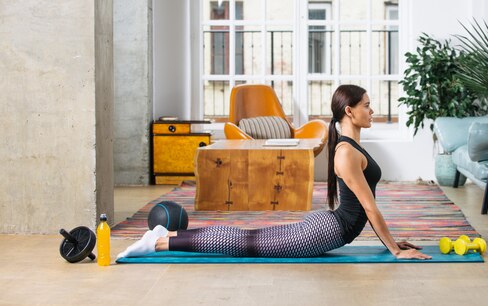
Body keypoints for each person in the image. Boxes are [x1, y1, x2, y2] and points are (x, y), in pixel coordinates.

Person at [117, 85, 431, 260]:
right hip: (322, 233)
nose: (372, 110)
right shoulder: (346, 153)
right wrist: (393, 248)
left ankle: (164, 235)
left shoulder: (350, 147)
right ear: (350, 111)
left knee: (247, 239)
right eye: (366, 105)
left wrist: (395, 242)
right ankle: (158, 243)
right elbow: (369, 207)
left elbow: (368, 206)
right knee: (243, 245)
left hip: (325, 226)